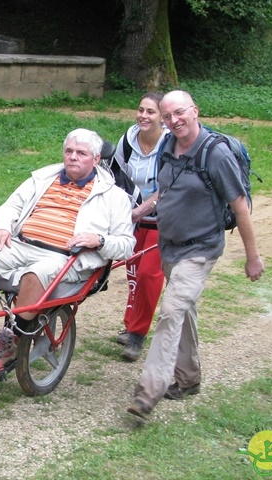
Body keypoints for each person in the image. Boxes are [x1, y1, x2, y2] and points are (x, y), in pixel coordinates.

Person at [0, 128, 136, 372]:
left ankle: (10, 339)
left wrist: (99, 239)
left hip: (65, 256)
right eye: (69, 151)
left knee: (37, 272)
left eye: (81, 153)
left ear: (97, 159)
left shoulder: (114, 196)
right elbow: (10, 207)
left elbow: (126, 245)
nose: (73, 157)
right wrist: (4, 226)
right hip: (22, 244)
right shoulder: (42, 179)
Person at [127, 90, 264, 420]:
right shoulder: (168, 146)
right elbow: (166, 189)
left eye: (180, 113)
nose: (174, 121)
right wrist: (141, 210)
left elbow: (240, 208)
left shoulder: (215, 154)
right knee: (183, 311)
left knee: (171, 311)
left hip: (200, 249)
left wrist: (252, 256)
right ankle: (188, 379)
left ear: (195, 111)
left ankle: (148, 392)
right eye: (168, 115)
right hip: (169, 246)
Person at [112, 92, 169, 361]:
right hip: (132, 218)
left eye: (151, 112)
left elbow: (170, 187)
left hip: (164, 221)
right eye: (141, 110)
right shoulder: (128, 140)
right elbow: (114, 175)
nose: (143, 116)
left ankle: (137, 335)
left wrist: (140, 210)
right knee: (133, 274)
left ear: (162, 117)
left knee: (149, 274)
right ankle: (130, 324)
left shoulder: (171, 144)